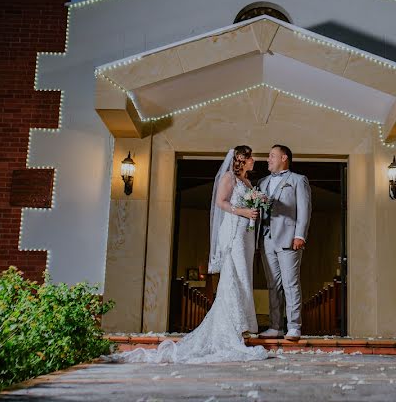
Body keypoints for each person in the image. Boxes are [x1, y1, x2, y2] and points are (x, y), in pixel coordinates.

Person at [110, 146, 268, 363]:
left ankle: (243, 326)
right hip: (233, 232)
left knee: (244, 276)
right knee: (235, 276)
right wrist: (242, 211)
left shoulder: (248, 182)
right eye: (251, 157)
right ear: (241, 159)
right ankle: (234, 326)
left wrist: (256, 207)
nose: (254, 160)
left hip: (246, 233)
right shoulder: (228, 178)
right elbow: (220, 202)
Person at [257, 144, 311, 341]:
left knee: (290, 283)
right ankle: (275, 327)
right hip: (266, 239)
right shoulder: (262, 183)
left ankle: (294, 326)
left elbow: (304, 209)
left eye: (272, 156)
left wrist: (300, 235)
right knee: (273, 285)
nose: (268, 159)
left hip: (288, 238)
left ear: (284, 158)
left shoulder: (298, 180)